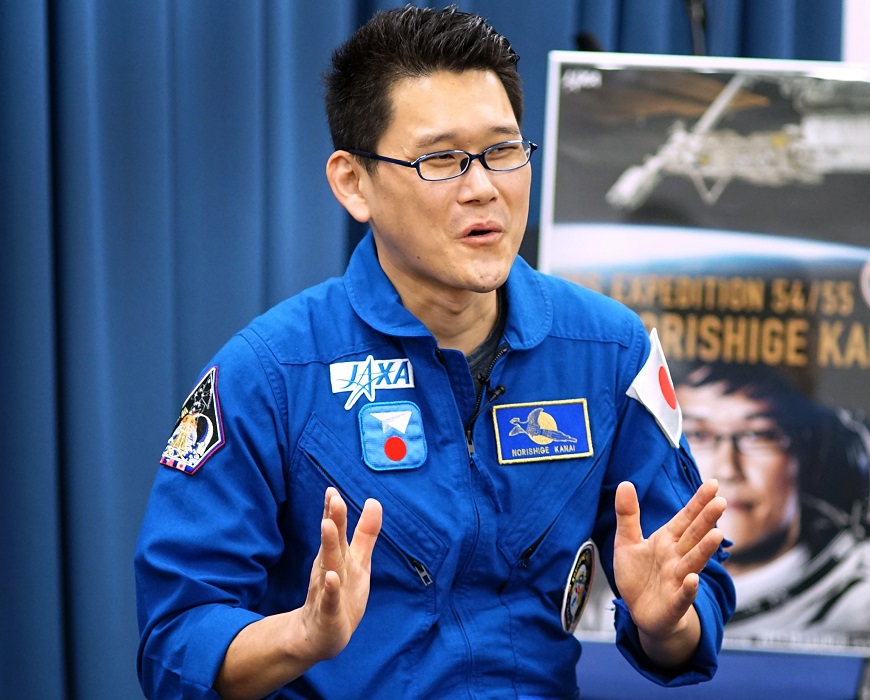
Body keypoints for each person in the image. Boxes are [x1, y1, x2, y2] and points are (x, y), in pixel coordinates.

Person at [133, 6, 735, 699]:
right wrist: (300, 637)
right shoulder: (270, 374)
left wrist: (668, 623)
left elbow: (692, 588)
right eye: (441, 160)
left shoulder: (609, 351)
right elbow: (176, 637)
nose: (483, 188)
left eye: (503, 151)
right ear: (353, 183)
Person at [579, 362, 870, 640]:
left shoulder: (866, 608)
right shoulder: (606, 594)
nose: (728, 468)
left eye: (758, 435)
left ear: (809, 454)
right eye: (698, 435)